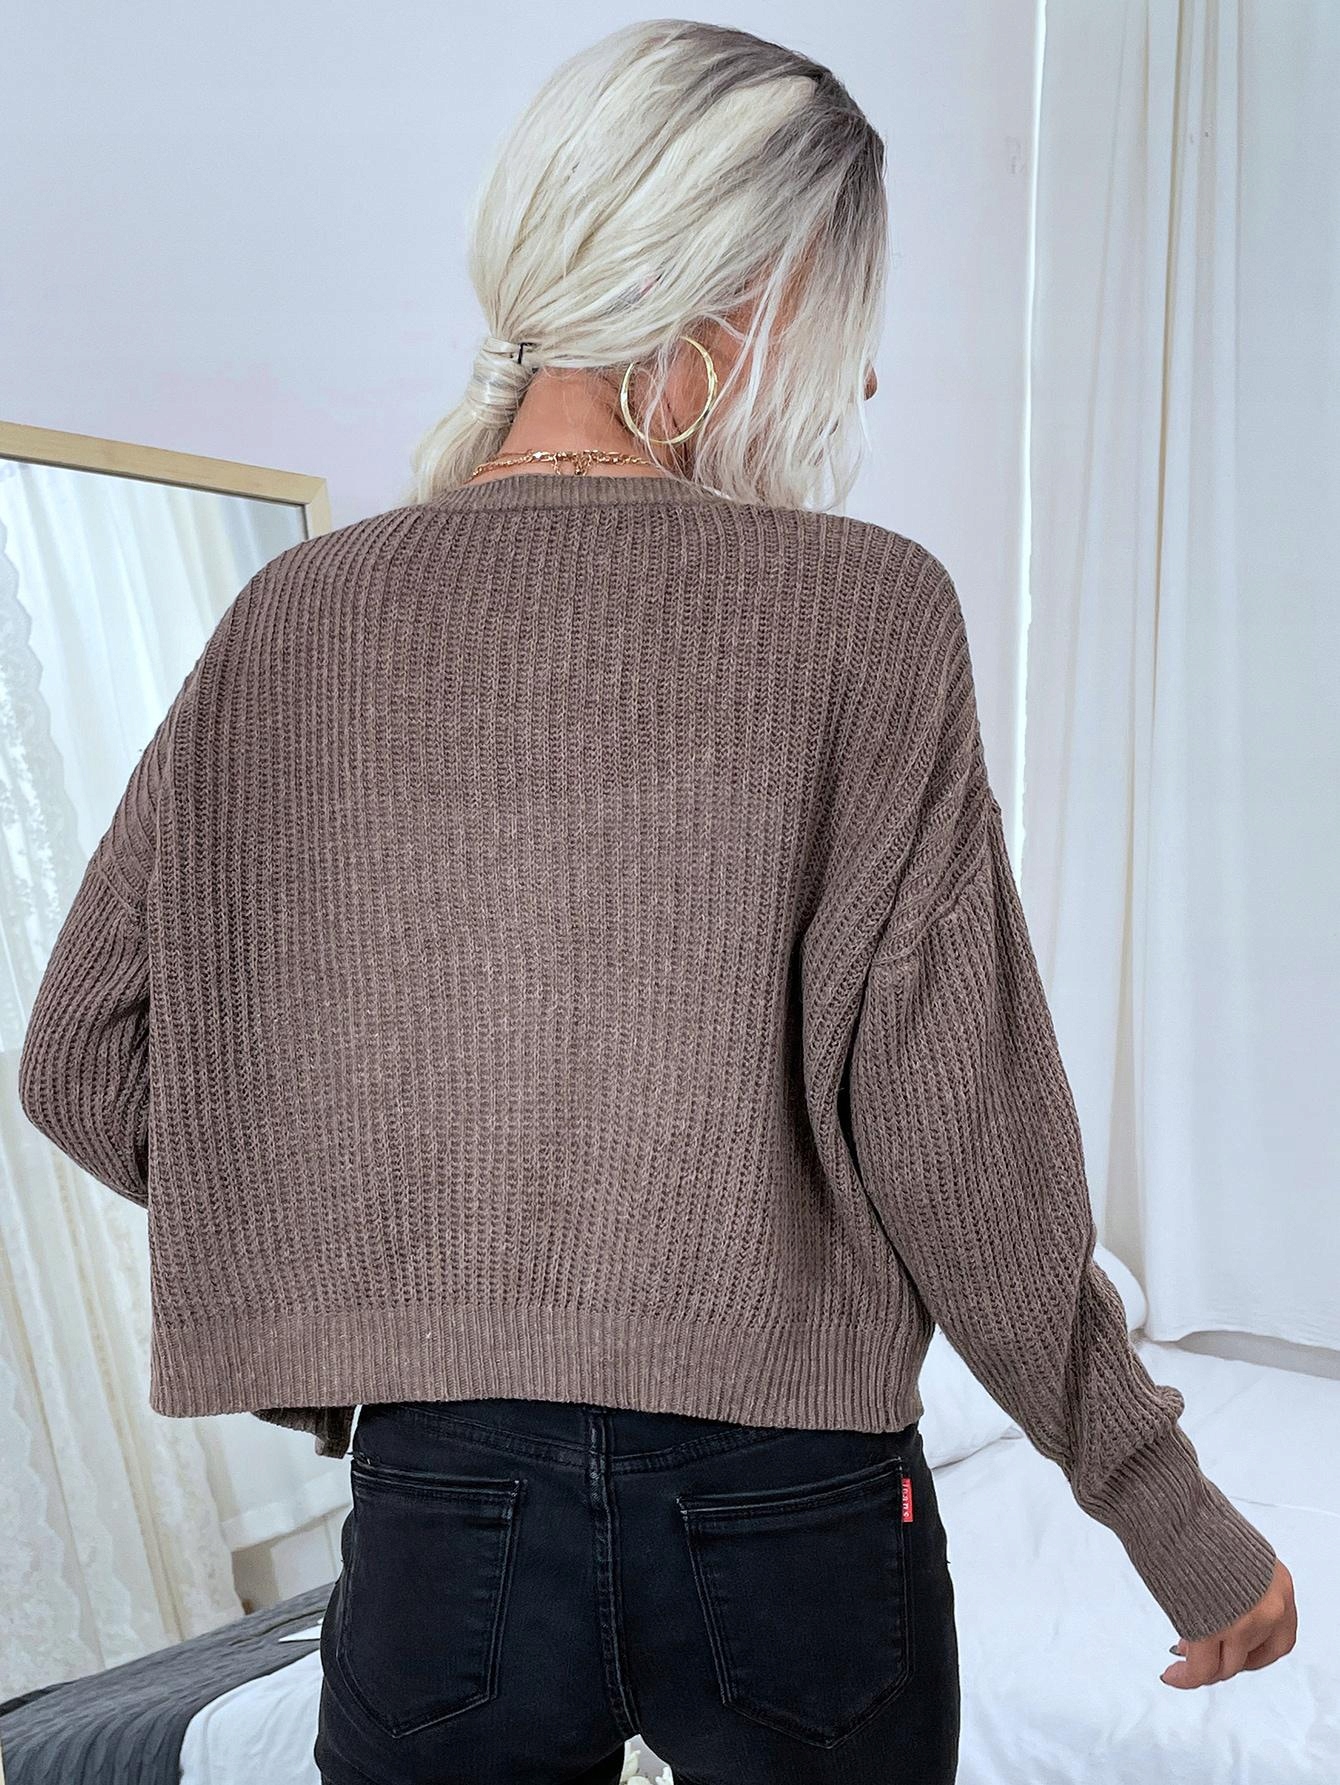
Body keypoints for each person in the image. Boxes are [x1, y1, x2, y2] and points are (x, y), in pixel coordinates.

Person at [17, 18, 1295, 1785]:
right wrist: (1166, 1506)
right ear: (742, 296)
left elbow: (81, 1062)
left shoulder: (294, 618)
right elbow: (961, 1137)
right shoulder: (865, 611)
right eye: (846, 320)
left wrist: (372, 1237)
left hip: (442, 1498)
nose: (863, 385)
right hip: (790, 1502)